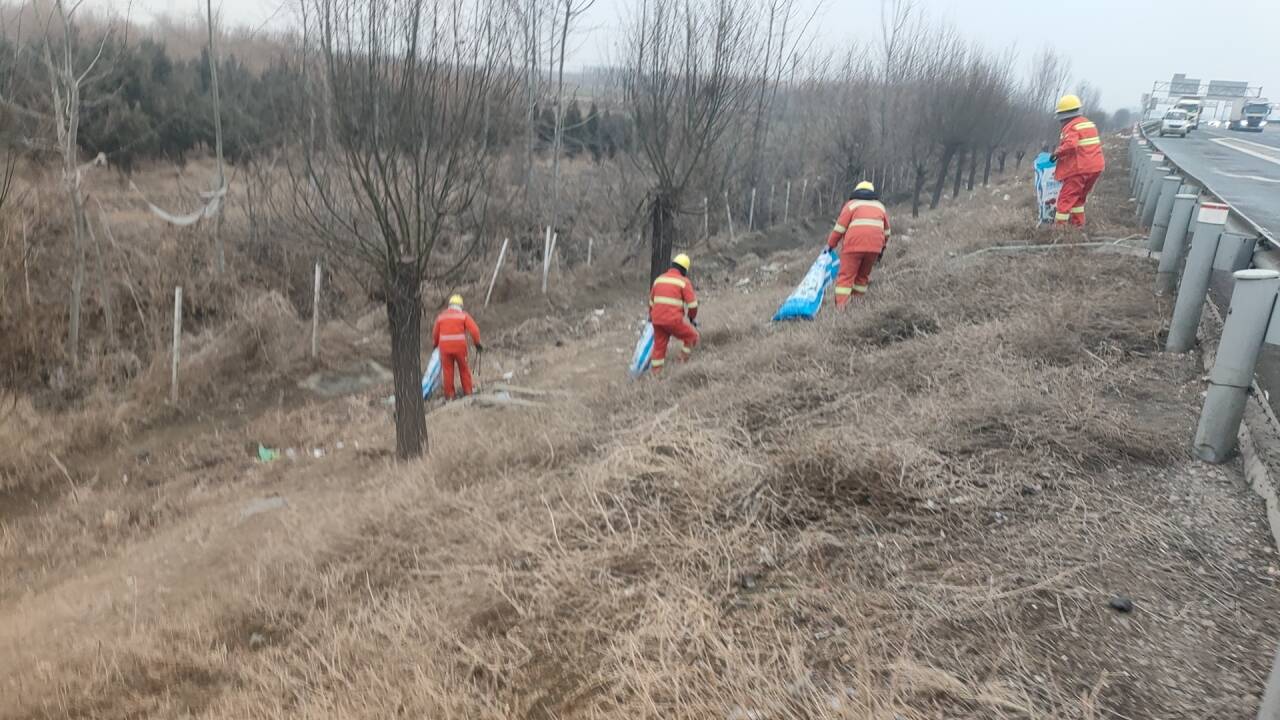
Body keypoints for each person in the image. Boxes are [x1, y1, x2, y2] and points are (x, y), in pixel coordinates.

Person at [826, 180, 891, 308]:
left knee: (845, 278)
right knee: (862, 277)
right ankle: (857, 306)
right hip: (874, 248)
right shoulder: (880, 207)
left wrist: (830, 245)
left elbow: (839, 228)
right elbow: (887, 232)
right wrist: (881, 248)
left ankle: (841, 309)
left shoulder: (851, 205)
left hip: (853, 247)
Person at [1050, 94, 1106, 227]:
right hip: (1095, 168)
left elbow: (1071, 144)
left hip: (1079, 169)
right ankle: (1078, 226)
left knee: (1065, 199)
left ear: (1063, 114)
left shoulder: (1071, 126)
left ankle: (1060, 230)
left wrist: (1057, 153)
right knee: (1079, 199)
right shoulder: (1089, 124)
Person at [648, 253, 699, 374]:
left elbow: (651, 303)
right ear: (684, 269)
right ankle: (681, 362)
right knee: (692, 337)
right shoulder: (683, 282)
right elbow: (693, 305)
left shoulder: (659, 280)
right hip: (673, 320)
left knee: (659, 347)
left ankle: (656, 374)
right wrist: (691, 317)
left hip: (657, 320)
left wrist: (651, 317)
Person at [431, 294, 483, 400]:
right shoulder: (463, 315)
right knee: (464, 369)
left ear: (449, 305)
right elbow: (475, 330)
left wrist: (435, 344)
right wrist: (477, 343)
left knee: (447, 371)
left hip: (445, 348)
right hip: (460, 348)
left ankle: (450, 395)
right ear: (460, 306)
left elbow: (435, 333)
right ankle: (468, 392)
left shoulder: (441, 317)